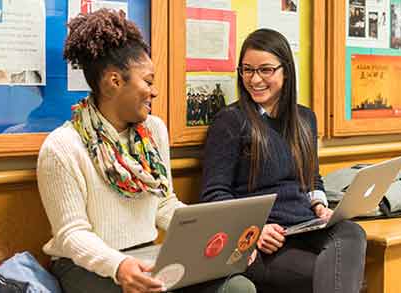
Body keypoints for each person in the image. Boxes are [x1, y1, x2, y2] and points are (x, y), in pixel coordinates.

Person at [37, 8, 255, 293]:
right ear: (114, 82)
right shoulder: (62, 146)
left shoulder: (154, 131)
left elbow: (164, 204)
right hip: (84, 267)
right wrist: (118, 266)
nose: (154, 92)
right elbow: (71, 234)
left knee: (238, 288)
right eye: (148, 82)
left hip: (146, 254)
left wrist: (218, 237)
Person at [200, 28, 367, 293]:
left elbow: (311, 177)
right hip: (263, 241)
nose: (254, 80)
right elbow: (213, 195)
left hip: (303, 226)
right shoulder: (231, 121)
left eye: (265, 70)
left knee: (352, 232)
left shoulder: (305, 119)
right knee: (337, 279)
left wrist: (320, 206)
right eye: (247, 70)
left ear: (285, 71)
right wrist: (253, 230)